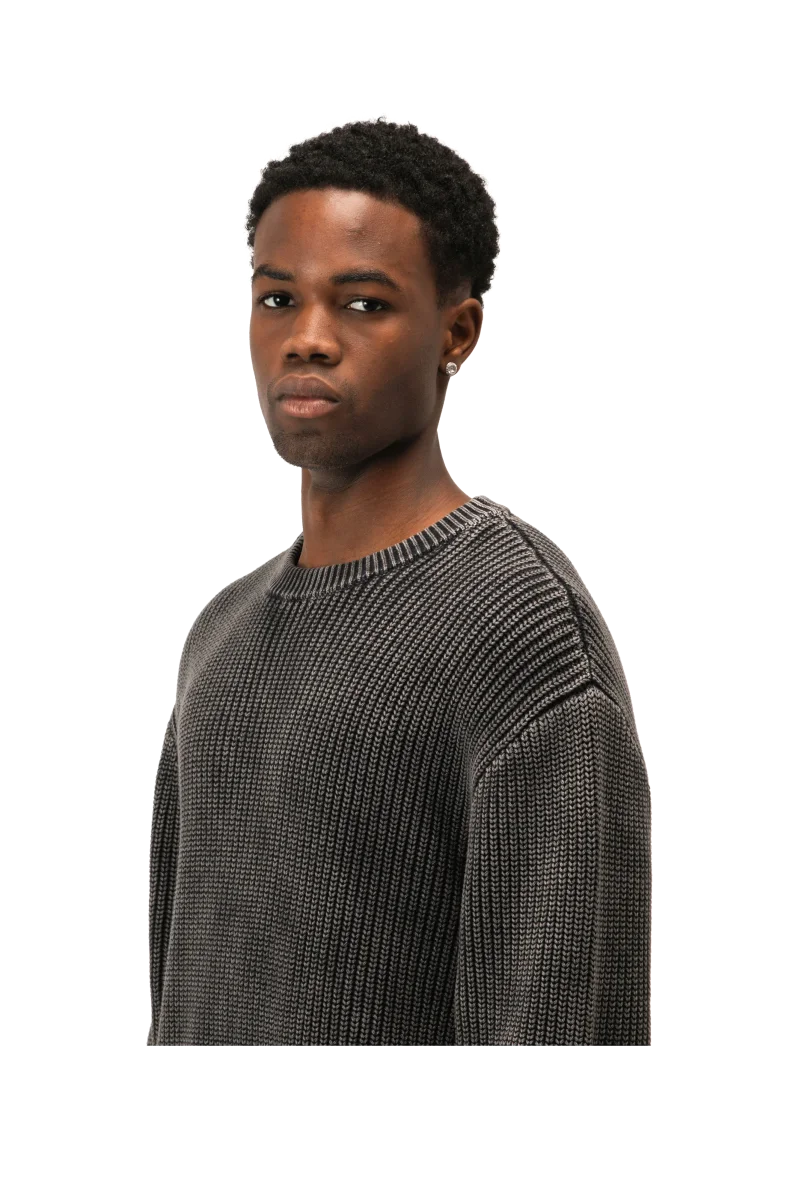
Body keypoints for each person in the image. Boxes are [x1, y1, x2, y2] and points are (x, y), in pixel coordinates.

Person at [146, 120, 652, 1047]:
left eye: (363, 304)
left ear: (456, 332)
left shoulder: (517, 626)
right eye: (276, 298)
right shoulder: (220, 632)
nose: (307, 339)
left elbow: (557, 1014)